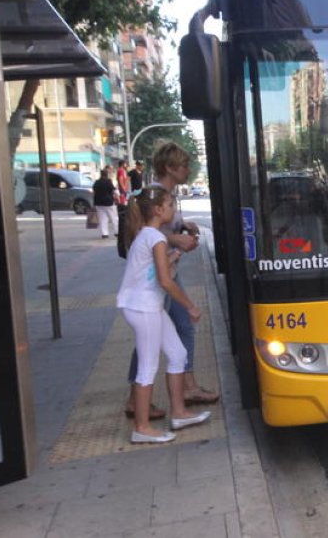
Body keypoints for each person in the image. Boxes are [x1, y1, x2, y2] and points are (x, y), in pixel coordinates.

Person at [124, 141, 220, 419]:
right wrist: (176, 238)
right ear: (170, 168)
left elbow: (159, 229)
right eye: (184, 165)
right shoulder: (157, 196)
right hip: (158, 280)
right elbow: (146, 233)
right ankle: (140, 406)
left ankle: (183, 392)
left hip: (164, 275)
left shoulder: (165, 194)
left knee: (180, 332)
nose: (188, 170)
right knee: (154, 339)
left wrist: (182, 226)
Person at [118, 187, 211, 443]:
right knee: (147, 367)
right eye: (171, 205)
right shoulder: (155, 238)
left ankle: (179, 412)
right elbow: (166, 281)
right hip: (142, 307)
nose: (174, 210)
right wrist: (190, 306)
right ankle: (142, 427)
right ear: (158, 210)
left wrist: (180, 252)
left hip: (148, 305)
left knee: (178, 354)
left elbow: (158, 270)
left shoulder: (149, 235)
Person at [92, 167, 118, 239]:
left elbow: (94, 192)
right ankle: (116, 232)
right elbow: (113, 190)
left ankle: (104, 233)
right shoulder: (108, 181)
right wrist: (117, 197)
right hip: (108, 202)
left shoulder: (96, 182)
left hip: (99, 203)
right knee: (114, 217)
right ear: (107, 175)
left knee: (102, 218)